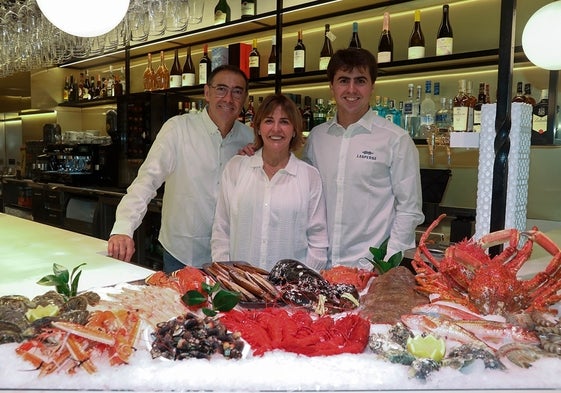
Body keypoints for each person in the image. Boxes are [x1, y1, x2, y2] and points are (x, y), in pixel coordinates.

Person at [107, 65, 254, 272]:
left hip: (230, 257)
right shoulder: (178, 129)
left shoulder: (250, 139)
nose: (228, 98)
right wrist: (123, 228)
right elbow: (147, 180)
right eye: (221, 89)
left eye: (237, 91)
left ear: (245, 98)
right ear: (207, 92)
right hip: (183, 253)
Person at [303, 48, 424, 267]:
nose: (351, 89)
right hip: (320, 267)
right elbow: (306, 199)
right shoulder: (316, 138)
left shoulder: (395, 139)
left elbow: (409, 209)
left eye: (360, 80)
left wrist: (387, 265)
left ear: (372, 87)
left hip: (369, 270)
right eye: (343, 80)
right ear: (331, 86)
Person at [211, 94, 329, 271]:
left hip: (289, 292)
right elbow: (221, 230)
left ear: (295, 130)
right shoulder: (236, 168)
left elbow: (318, 242)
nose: (276, 129)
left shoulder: (309, 176)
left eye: (284, 122)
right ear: (258, 128)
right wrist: (227, 277)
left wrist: (301, 286)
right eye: (268, 121)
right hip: (241, 288)